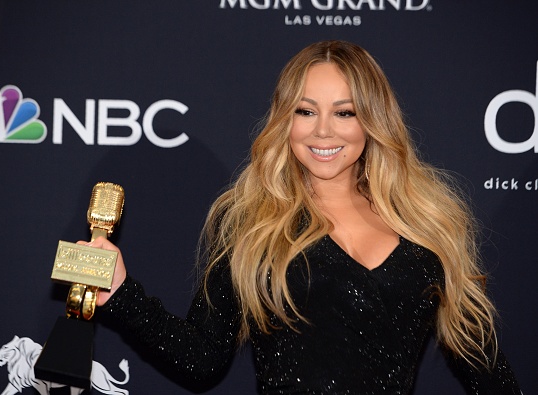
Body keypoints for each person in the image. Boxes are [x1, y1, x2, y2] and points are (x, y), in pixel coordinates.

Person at [81, 41, 522, 394]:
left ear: (372, 121)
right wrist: (120, 293)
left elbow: (483, 365)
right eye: (305, 111)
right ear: (284, 120)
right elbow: (201, 361)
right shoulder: (250, 223)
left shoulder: (427, 223)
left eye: (345, 112)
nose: (323, 130)